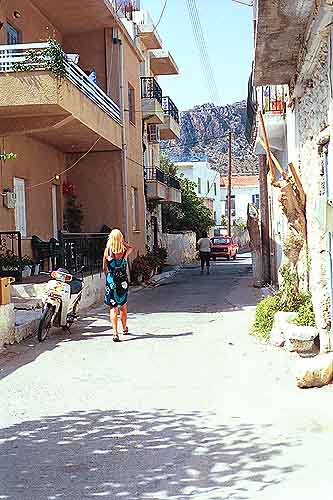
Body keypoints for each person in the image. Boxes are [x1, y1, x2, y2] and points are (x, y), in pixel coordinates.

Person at [103, 229, 134, 342]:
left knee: (113, 308)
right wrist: (122, 242)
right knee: (123, 306)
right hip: (123, 282)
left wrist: (109, 278)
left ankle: (115, 333)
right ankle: (124, 329)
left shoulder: (107, 251)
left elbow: (104, 268)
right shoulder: (124, 252)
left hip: (111, 282)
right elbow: (131, 247)